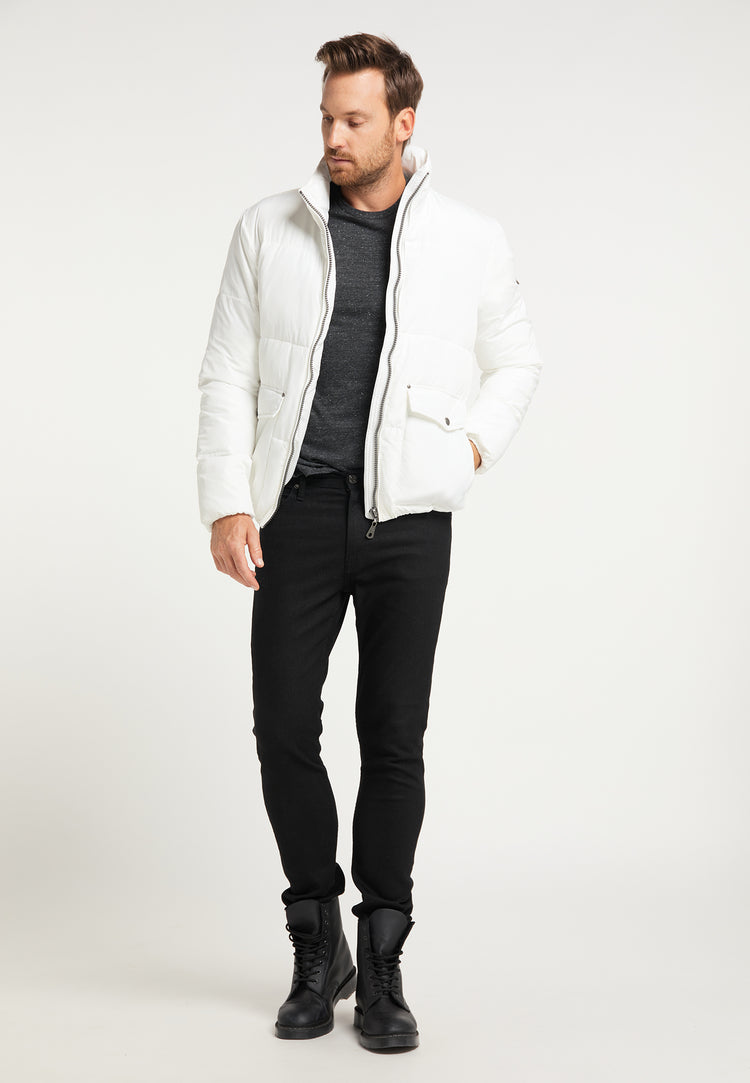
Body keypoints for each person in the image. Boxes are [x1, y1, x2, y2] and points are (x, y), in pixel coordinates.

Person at [195, 32, 543, 1053]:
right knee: (281, 727)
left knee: (394, 736)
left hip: (409, 524)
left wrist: (467, 449)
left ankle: (384, 962)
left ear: (403, 122)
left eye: (355, 119)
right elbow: (225, 372)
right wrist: (226, 502)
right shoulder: (269, 230)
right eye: (326, 118)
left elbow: (517, 360)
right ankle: (318, 943)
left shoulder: (468, 239)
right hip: (297, 510)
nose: (335, 137)